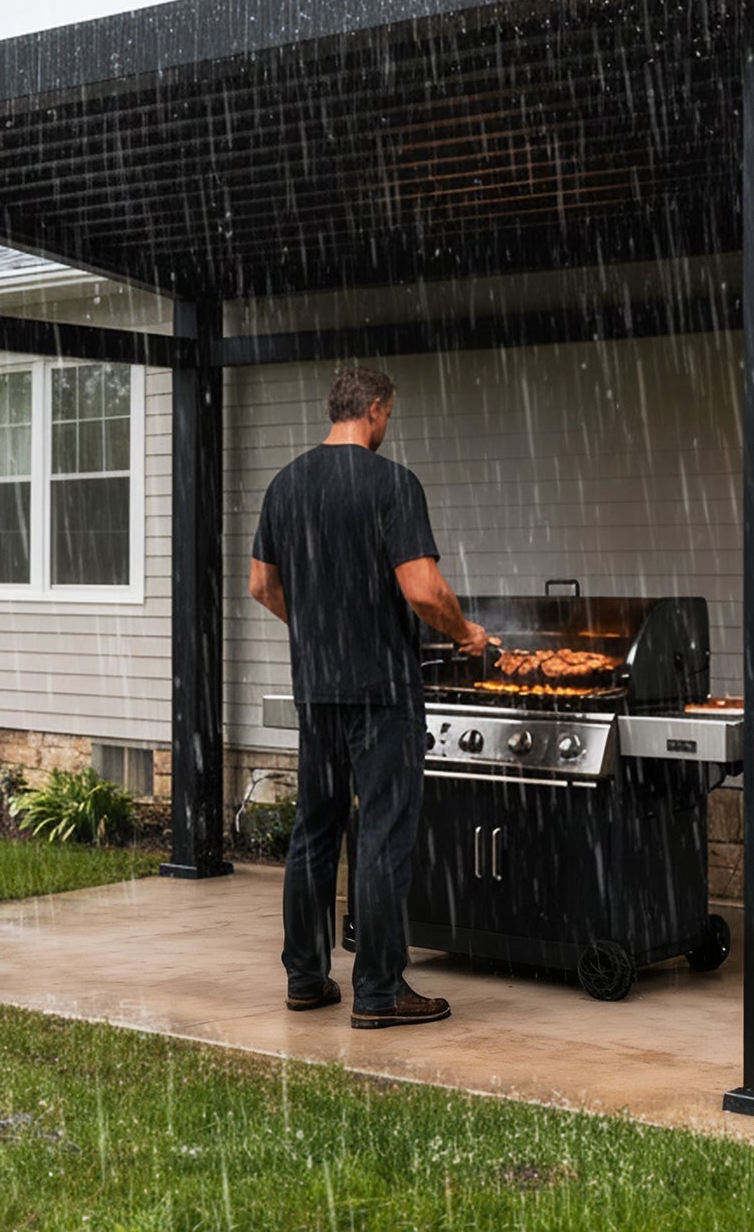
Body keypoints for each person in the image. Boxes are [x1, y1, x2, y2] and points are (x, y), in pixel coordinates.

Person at [248, 364, 487, 1029]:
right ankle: (380, 993)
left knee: (314, 830)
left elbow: (262, 586)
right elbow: (422, 590)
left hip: (317, 688)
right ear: (376, 410)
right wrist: (467, 633)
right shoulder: (391, 483)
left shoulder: (286, 483)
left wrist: (319, 627)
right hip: (383, 690)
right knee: (382, 836)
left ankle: (305, 978)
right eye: (388, 415)